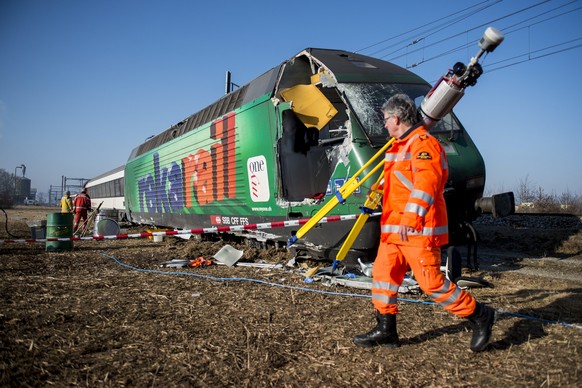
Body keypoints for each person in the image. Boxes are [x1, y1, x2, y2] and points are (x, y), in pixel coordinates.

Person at [353, 94, 495, 352]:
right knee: (383, 277)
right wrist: (376, 193)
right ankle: (387, 331)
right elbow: (398, 184)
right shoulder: (399, 146)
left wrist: (411, 216)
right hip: (395, 231)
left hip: (417, 229)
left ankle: (480, 315)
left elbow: (426, 184)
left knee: (431, 283)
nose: (384, 125)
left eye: (385, 120)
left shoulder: (423, 145)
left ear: (396, 119)